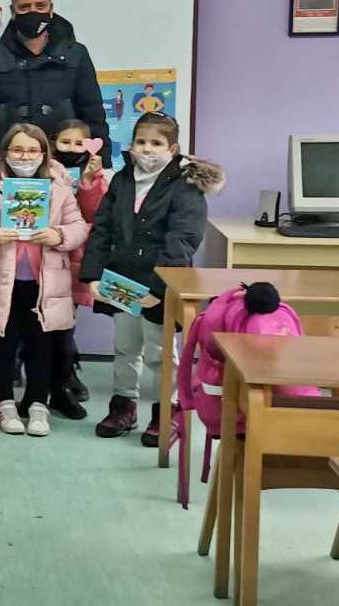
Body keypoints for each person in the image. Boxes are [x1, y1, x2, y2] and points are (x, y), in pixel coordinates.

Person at [81, 112, 224, 444]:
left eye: (156, 143)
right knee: (125, 346)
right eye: (141, 141)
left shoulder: (185, 185)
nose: (147, 149)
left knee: (160, 351)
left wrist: (159, 288)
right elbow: (102, 228)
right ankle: (123, 406)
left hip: (160, 284)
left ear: (172, 149)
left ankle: (167, 410)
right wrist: (93, 275)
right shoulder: (122, 179)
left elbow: (183, 239)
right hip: (122, 280)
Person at [0, 123, 89, 437]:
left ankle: (37, 404)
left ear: (44, 154)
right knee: (3, 344)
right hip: (2, 284)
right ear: (5, 152)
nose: (25, 156)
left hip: (45, 286)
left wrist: (58, 235)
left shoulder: (60, 189)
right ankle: (5, 403)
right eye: (17, 149)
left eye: (33, 150)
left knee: (41, 346)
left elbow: (79, 228)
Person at [0, 0, 110, 187]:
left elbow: (94, 118)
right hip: (8, 175)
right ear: (13, 11)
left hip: (66, 175)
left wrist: (103, 174)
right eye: (24, 7)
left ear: (51, 9)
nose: (33, 12)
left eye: (40, 6)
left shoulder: (76, 55)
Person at [50, 118, 110, 403]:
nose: (72, 148)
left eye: (79, 143)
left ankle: (67, 371)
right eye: (65, 142)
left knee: (66, 319)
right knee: (32, 315)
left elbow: (95, 215)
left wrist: (88, 182)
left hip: (74, 256)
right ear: (53, 143)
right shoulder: (42, 170)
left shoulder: (97, 176)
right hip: (44, 253)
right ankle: (24, 363)